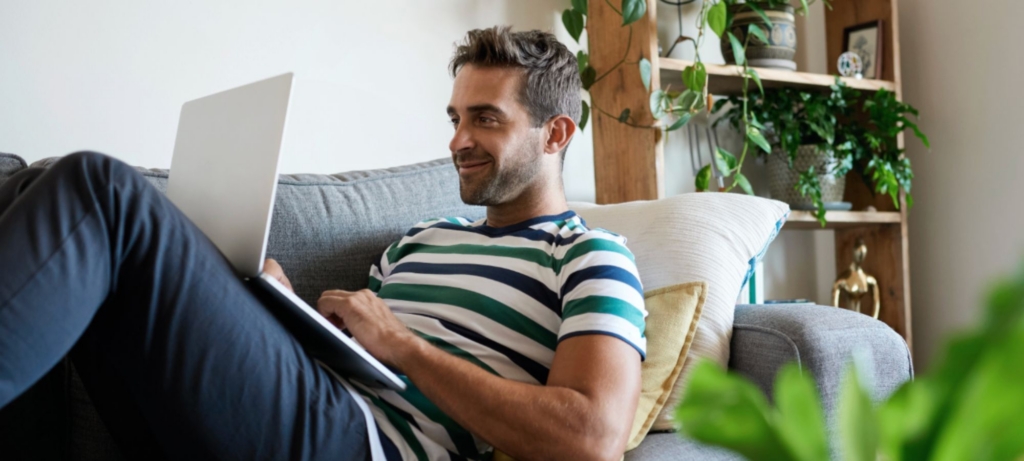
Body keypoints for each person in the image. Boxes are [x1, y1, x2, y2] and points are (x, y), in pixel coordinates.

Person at [0, 26, 646, 461]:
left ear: (556, 133)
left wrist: (403, 345)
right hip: (307, 408)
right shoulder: (419, 241)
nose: (457, 141)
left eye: (485, 118)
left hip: (368, 444)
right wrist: (280, 308)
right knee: (48, 201)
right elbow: (346, 361)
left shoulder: (590, 256)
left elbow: (592, 438)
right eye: (454, 118)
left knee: (100, 188)